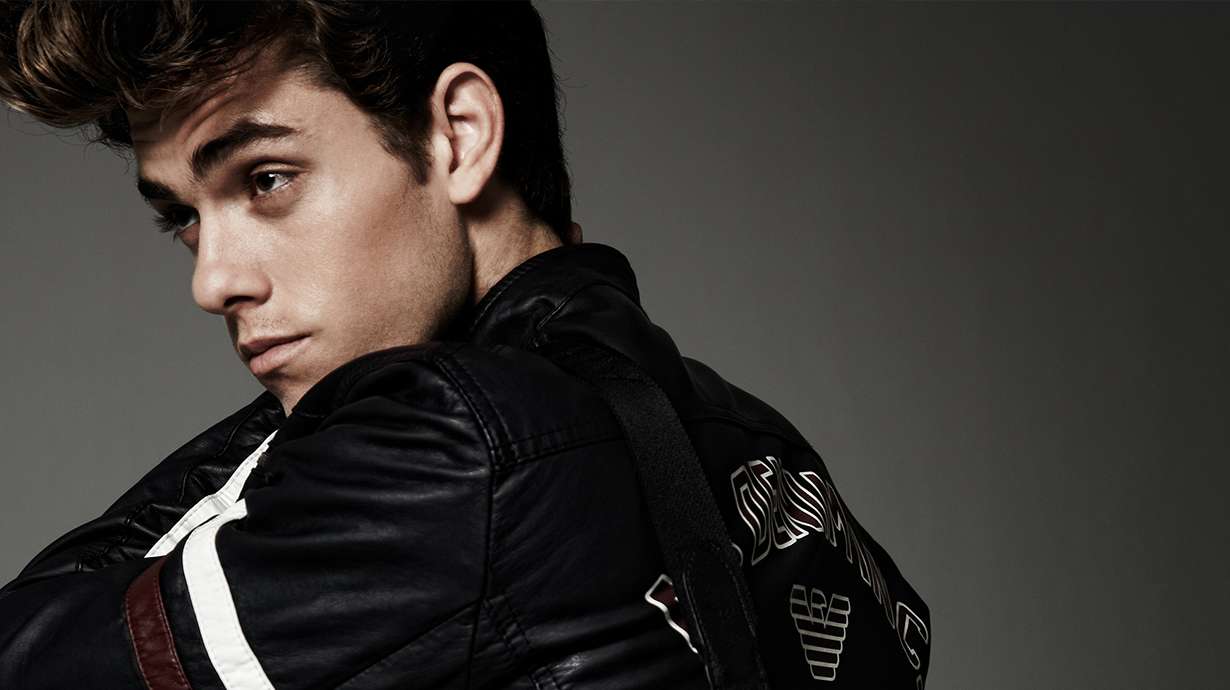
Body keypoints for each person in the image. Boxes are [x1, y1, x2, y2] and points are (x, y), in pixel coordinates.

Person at [0, 2, 931, 688]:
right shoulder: (753, 441)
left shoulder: (452, 443)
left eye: (268, 179)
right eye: (184, 218)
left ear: (459, 134)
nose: (214, 281)